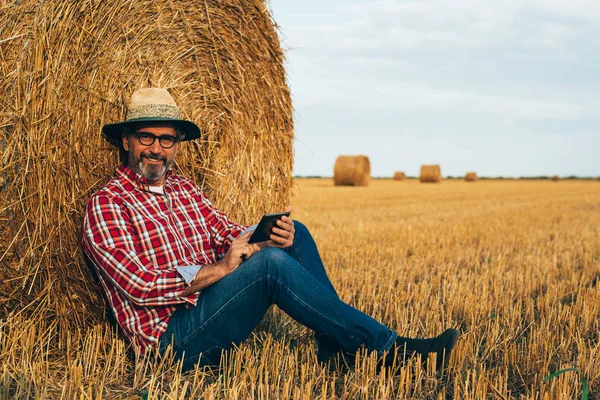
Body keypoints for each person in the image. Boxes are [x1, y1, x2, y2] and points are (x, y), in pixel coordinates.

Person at [82, 88, 460, 373]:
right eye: (147, 137)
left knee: (294, 235)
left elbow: (223, 232)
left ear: (176, 146)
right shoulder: (108, 204)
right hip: (173, 338)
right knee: (271, 266)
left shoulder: (185, 189)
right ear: (127, 140)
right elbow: (140, 285)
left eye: (167, 140)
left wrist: (266, 234)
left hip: (214, 304)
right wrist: (221, 269)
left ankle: (336, 347)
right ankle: (388, 350)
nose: (156, 149)